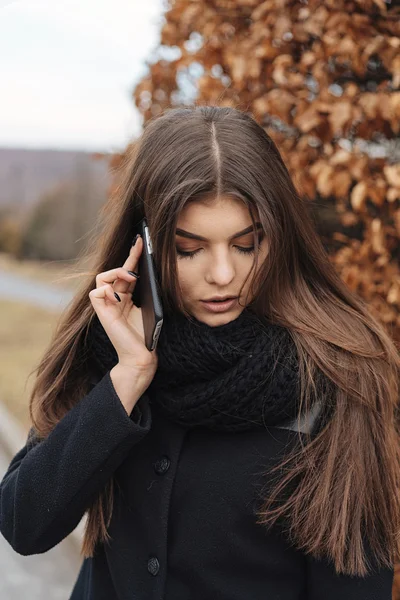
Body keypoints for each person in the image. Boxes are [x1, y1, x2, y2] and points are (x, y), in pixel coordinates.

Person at [0, 106, 399, 600]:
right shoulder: (111, 346)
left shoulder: (338, 377)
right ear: (142, 246)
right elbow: (24, 523)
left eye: (246, 245)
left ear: (279, 235)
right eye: (189, 249)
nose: (223, 275)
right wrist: (127, 378)